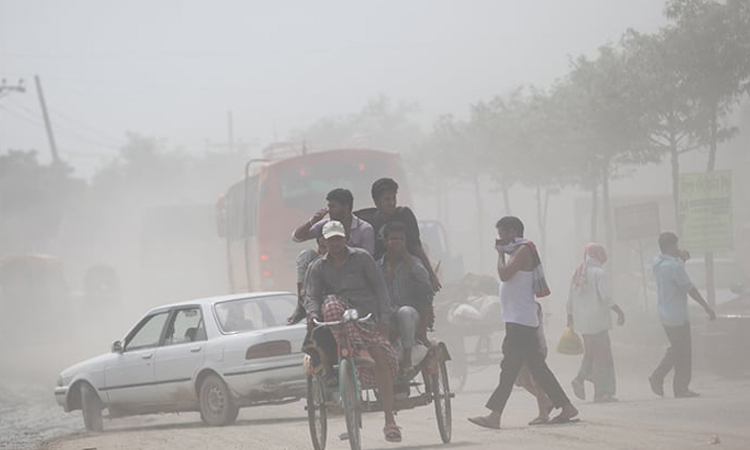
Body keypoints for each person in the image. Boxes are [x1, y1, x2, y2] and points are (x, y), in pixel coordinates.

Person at [469, 216, 577, 429]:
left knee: (509, 368)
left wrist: (499, 254)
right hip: (518, 319)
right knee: (537, 368)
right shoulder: (519, 251)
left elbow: (504, 274)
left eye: (502, 235)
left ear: (512, 232)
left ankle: (495, 415)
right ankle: (565, 406)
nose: (500, 240)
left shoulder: (524, 250)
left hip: (521, 321)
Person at [304, 220, 402, 443]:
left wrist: (384, 319)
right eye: (331, 240)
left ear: (346, 238)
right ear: (324, 242)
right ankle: (354, 355)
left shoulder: (362, 258)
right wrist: (311, 314)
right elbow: (311, 296)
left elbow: (380, 289)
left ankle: (390, 421)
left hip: (365, 317)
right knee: (329, 304)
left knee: (381, 359)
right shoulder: (317, 267)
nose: (336, 243)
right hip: (337, 326)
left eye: (339, 238)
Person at [649, 232, 715, 398]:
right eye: (675, 246)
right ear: (671, 246)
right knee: (683, 352)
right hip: (678, 315)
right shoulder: (674, 267)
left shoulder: (657, 263)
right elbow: (689, 288)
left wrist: (679, 257)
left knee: (677, 349)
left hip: (665, 313)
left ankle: (667, 382)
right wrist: (706, 306)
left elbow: (666, 258)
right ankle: (674, 384)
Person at [355, 178, 441, 291]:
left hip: (406, 264)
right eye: (387, 199)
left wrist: (431, 275)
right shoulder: (369, 220)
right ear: (376, 202)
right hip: (381, 269)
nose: (391, 203)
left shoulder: (404, 215)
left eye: (393, 198)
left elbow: (416, 247)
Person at [567, 243, 625, 403]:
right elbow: (607, 297)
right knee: (603, 358)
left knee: (591, 354)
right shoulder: (599, 273)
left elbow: (570, 300)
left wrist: (569, 320)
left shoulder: (578, 273)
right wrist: (620, 312)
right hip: (598, 322)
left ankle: (582, 379)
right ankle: (601, 392)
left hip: (583, 324)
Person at [377, 221, 434, 375]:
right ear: (385, 242)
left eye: (401, 239)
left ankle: (407, 359)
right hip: (386, 315)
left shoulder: (413, 262)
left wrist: (406, 256)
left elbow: (424, 278)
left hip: (411, 315)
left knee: (405, 312)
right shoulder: (377, 266)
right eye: (393, 239)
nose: (397, 242)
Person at [293, 188, 374, 255]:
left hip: (354, 270)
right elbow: (297, 238)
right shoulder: (325, 224)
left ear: (346, 207)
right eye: (329, 206)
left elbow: (369, 259)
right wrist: (312, 221)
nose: (329, 211)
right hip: (327, 268)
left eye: (333, 207)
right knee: (306, 255)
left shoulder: (365, 229)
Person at [288, 236, 326, 325]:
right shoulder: (317, 265)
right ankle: (300, 306)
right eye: (323, 247)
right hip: (318, 301)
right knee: (306, 255)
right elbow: (297, 236)